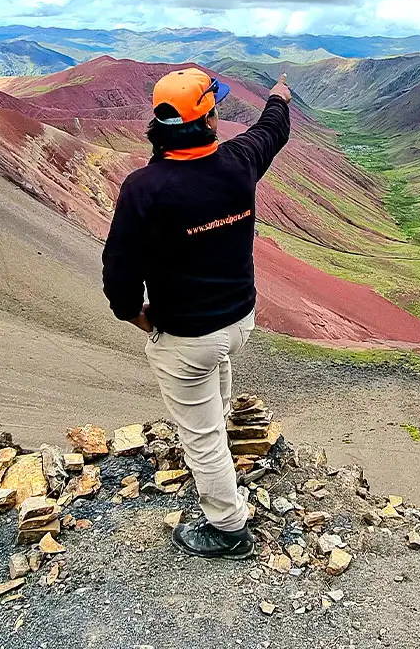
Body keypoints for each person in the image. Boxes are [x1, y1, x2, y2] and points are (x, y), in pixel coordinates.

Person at [102, 67, 292, 559]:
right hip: (240, 321)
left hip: (187, 336)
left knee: (200, 438)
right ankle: (223, 445)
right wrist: (278, 97)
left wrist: (134, 314)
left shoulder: (145, 188)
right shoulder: (239, 162)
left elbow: (119, 269)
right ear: (208, 120)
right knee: (215, 381)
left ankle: (228, 529)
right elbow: (272, 131)